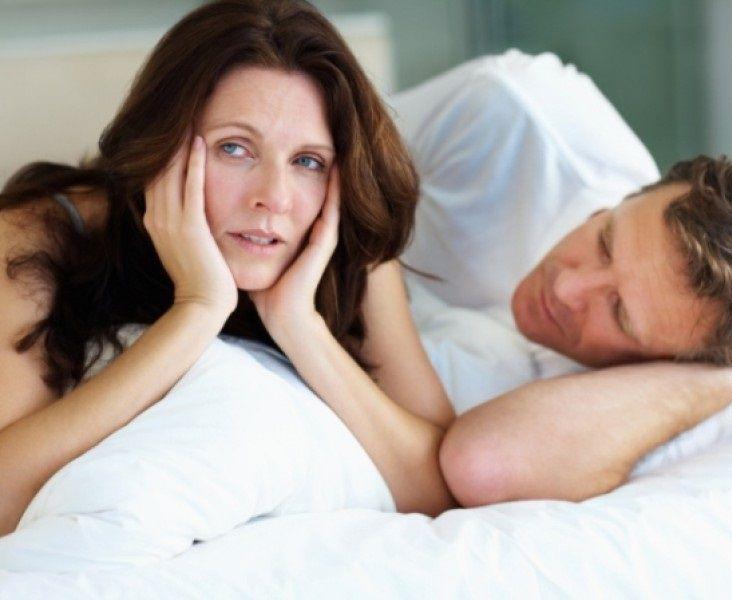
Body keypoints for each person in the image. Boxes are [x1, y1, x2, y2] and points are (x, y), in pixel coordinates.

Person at [0, 0, 455, 538]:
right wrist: (197, 310)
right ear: (163, 145)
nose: (274, 198)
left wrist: (300, 326)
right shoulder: (38, 236)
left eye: (307, 161)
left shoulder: (340, 235)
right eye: (235, 149)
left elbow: (439, 489)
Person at [390, 51, 732, 506]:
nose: (567, 289)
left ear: (665, 362)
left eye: (619, 313)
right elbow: (334, 162)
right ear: (626, 200)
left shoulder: (611, 402)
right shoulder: (515, 112)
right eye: (604, 241)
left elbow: (487, 463)